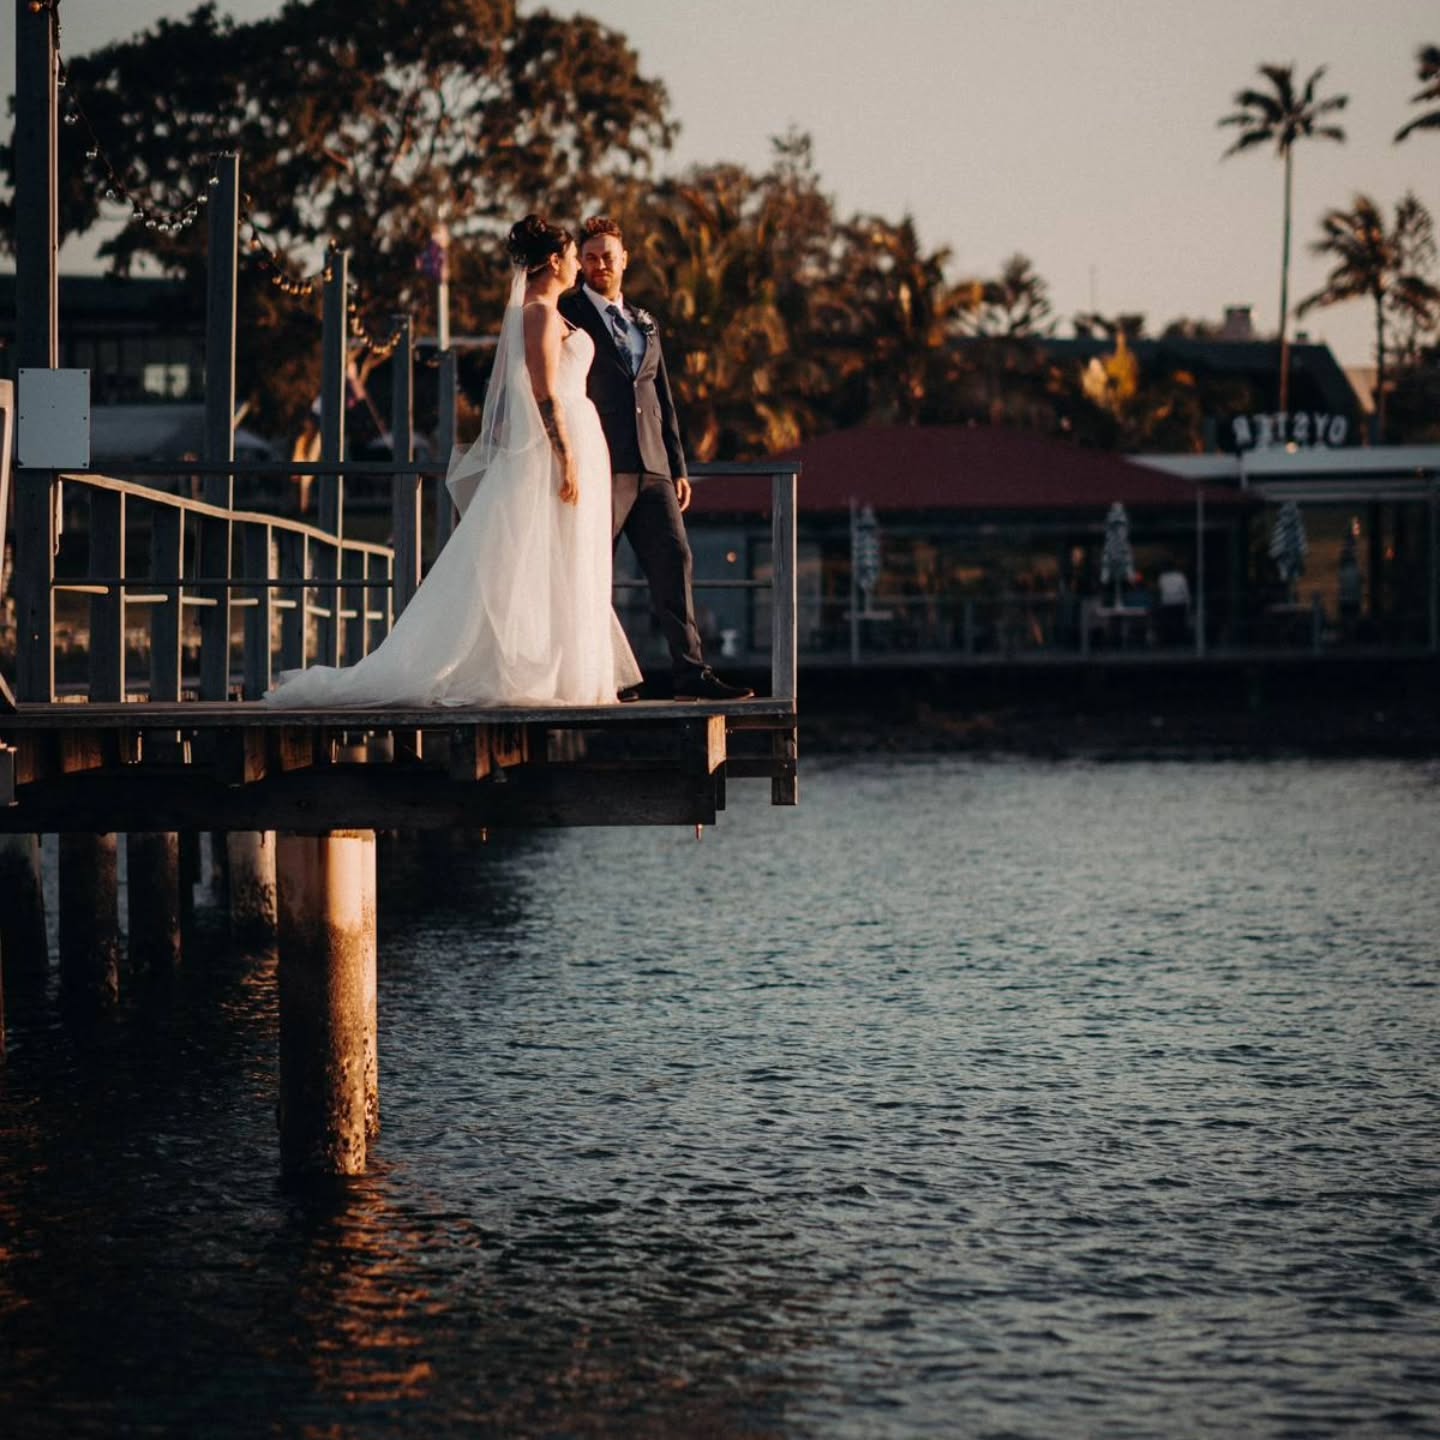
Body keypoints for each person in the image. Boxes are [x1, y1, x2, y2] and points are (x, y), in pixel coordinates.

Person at [263, 215, 640, 709]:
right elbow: (545, 393)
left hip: (579, 443)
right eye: (573, 256)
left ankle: (568, 672)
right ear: (554, 261)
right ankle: (538, 672)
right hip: (558, 449)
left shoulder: (548, 312)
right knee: (547, 556)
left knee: (568, 559)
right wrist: (566, 456)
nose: (577, 265)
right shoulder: (540, 315)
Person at [559, 216, 753, 701]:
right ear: (580, 264)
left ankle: (692, 674)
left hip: (654, 468)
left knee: (674, 560)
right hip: (601, 464)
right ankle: (596, 676)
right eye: (590, 257)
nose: (600, 264)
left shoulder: (644, 321)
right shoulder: (568, 312)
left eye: (608, 255)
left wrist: (677, 466)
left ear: (625, 259)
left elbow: (663, 397)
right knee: (593, 569)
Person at [1156, 563, 1192, 646]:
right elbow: (1185, 591)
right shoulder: (1180, 576)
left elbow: (1160, 591)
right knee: (1180, 623)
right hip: (1179, 602)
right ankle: (1180, 640)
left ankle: (1171, 641)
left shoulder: (1162, 577)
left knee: (1169, 623)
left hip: (1167, 603)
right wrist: (1188, 602)